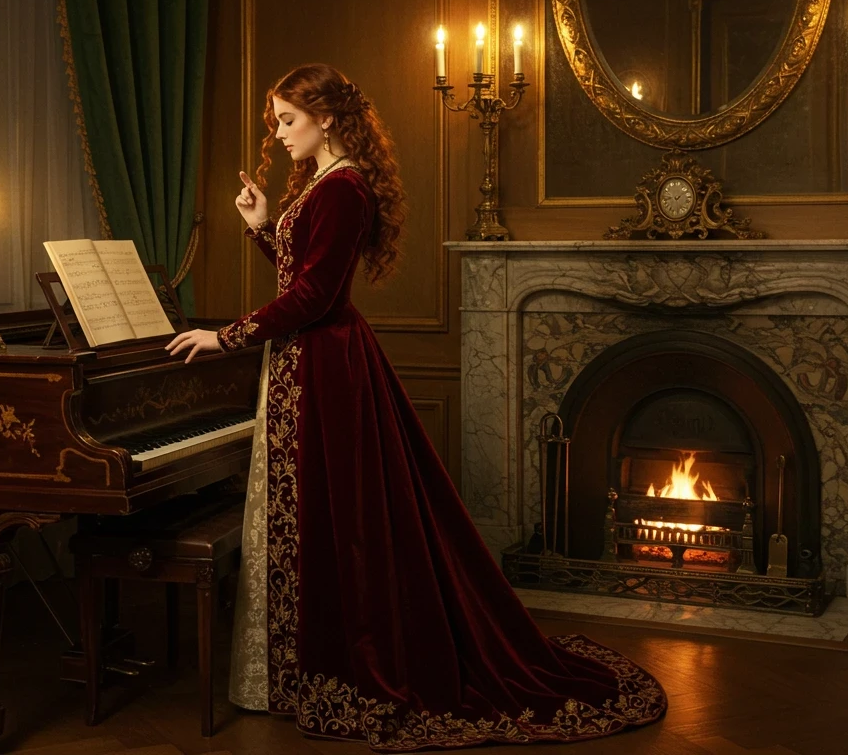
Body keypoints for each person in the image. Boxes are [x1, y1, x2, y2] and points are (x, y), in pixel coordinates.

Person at [165, 63, 666, 749]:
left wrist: (226, 335)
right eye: (276, 122)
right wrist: (261, 228)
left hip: (328, 367)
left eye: (288, 120)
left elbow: (316, 298)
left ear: (327, 119)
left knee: (343, 521)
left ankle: (338, 666)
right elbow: (303, 273)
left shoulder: (342, 191)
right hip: (307, 364)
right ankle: (296, 671)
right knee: (322, 515)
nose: (279, 135)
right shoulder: (322, 185)